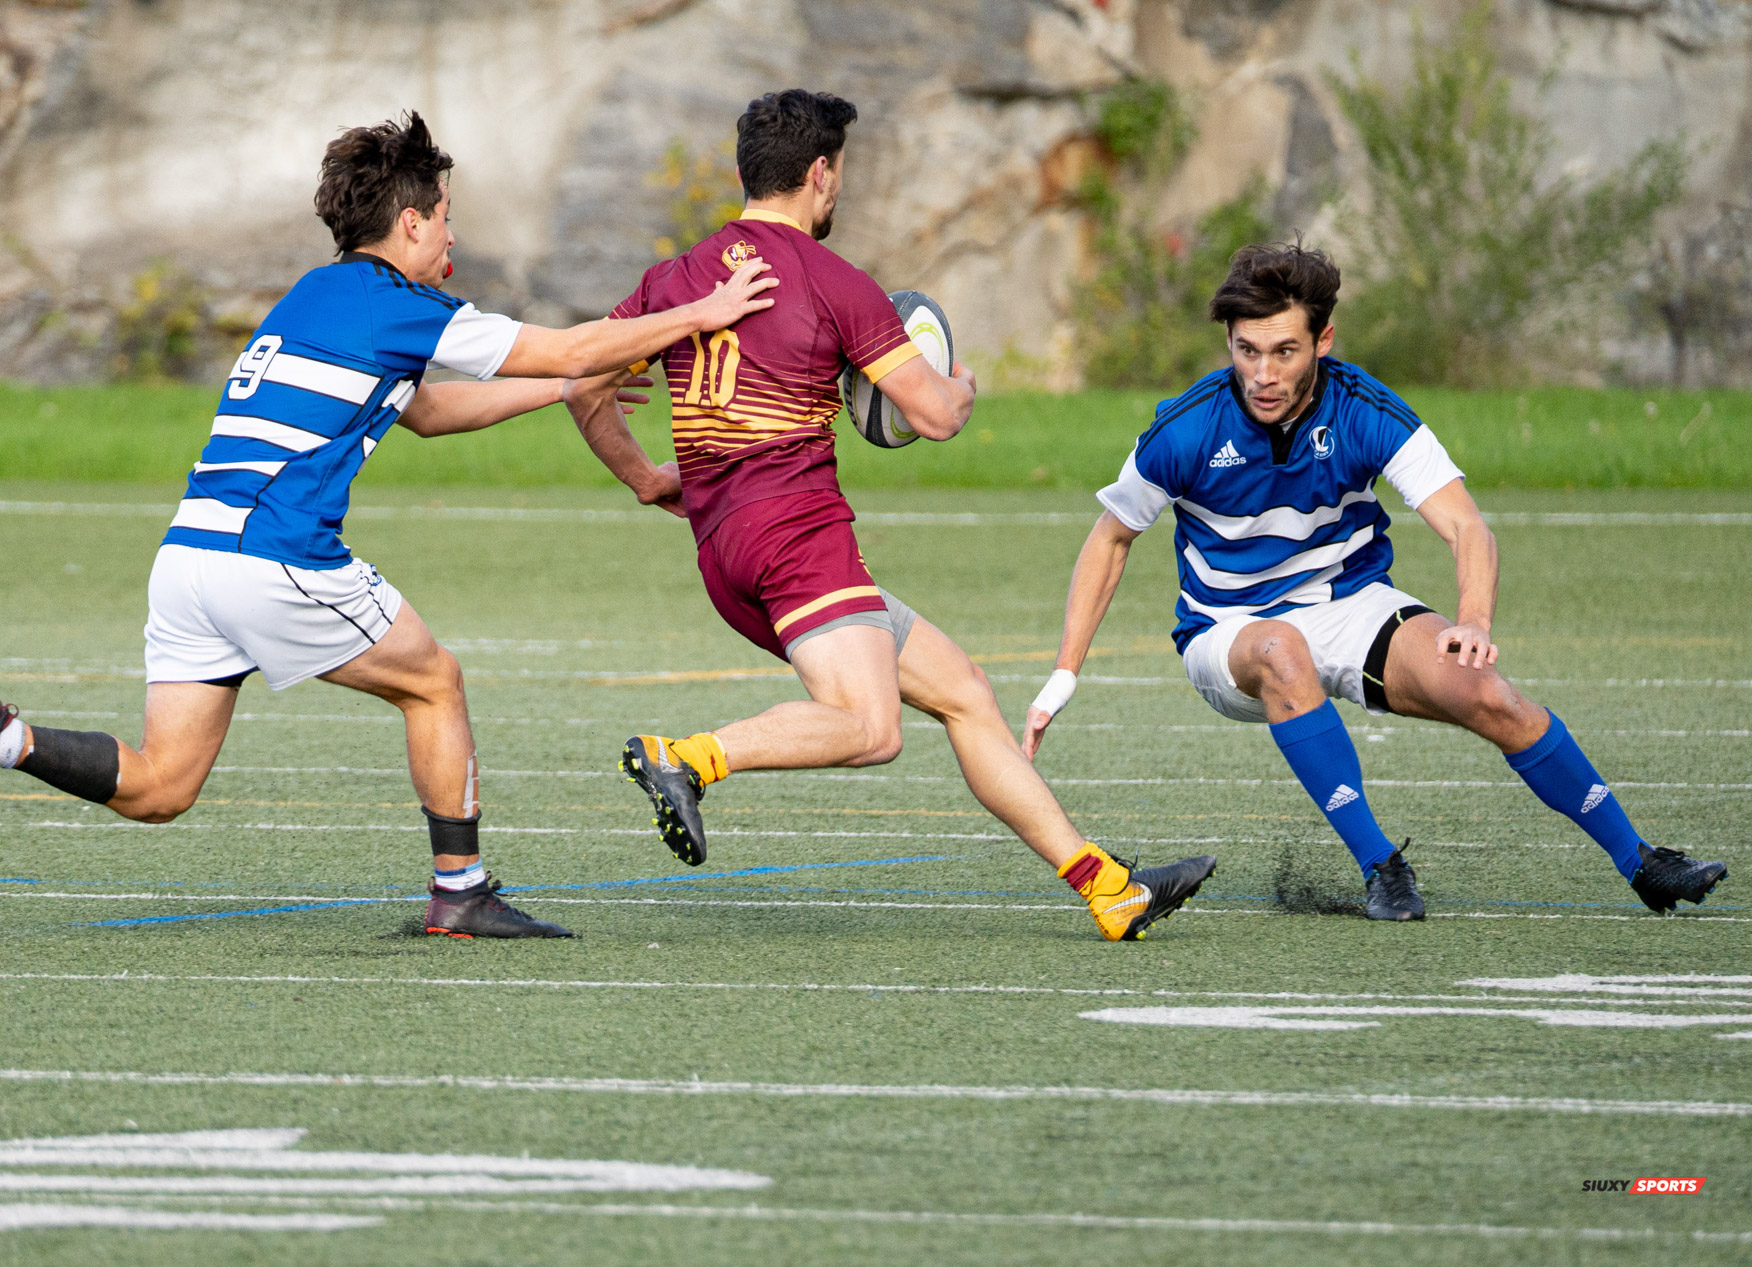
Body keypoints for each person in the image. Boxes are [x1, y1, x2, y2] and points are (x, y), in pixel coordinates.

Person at [0, 111, 775, 939]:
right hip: (271, 555)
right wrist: (702, 314)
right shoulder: (395, 303)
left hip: (188, 559)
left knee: (162, 786)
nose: (454, 236)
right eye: (447, 216)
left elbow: (427, 412)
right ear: (412, 222)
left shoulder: (315, 296)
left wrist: (563, 391)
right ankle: (461, 892)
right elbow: (574, 344)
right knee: (434, 681)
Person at [564, 90, 1216, 942]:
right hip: (798, 540)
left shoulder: (677, 278)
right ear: (822, 175)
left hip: (726, 550)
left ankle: (1107, 888)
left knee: (964, 693)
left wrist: (647, 479)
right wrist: (962, 388)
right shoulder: (836, 283)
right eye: (841, 176)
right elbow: (935, 416)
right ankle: (686, 756)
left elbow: (582, 384)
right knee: (871, 729)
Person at [1021, 241, 1728, 921]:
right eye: (1247, 351)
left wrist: (1472, 620)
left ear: (1323, 340)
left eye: (1284, 351)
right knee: (1281, 651)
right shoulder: (1186, 429)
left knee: (1488, 693)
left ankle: (1642, 860)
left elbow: (1466, 525)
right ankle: (1381, 866)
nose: (1262, 373)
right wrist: (1065, 673)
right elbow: (1111, 539)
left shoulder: (1363, 408)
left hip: (1353, 604)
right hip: (1228, 632)